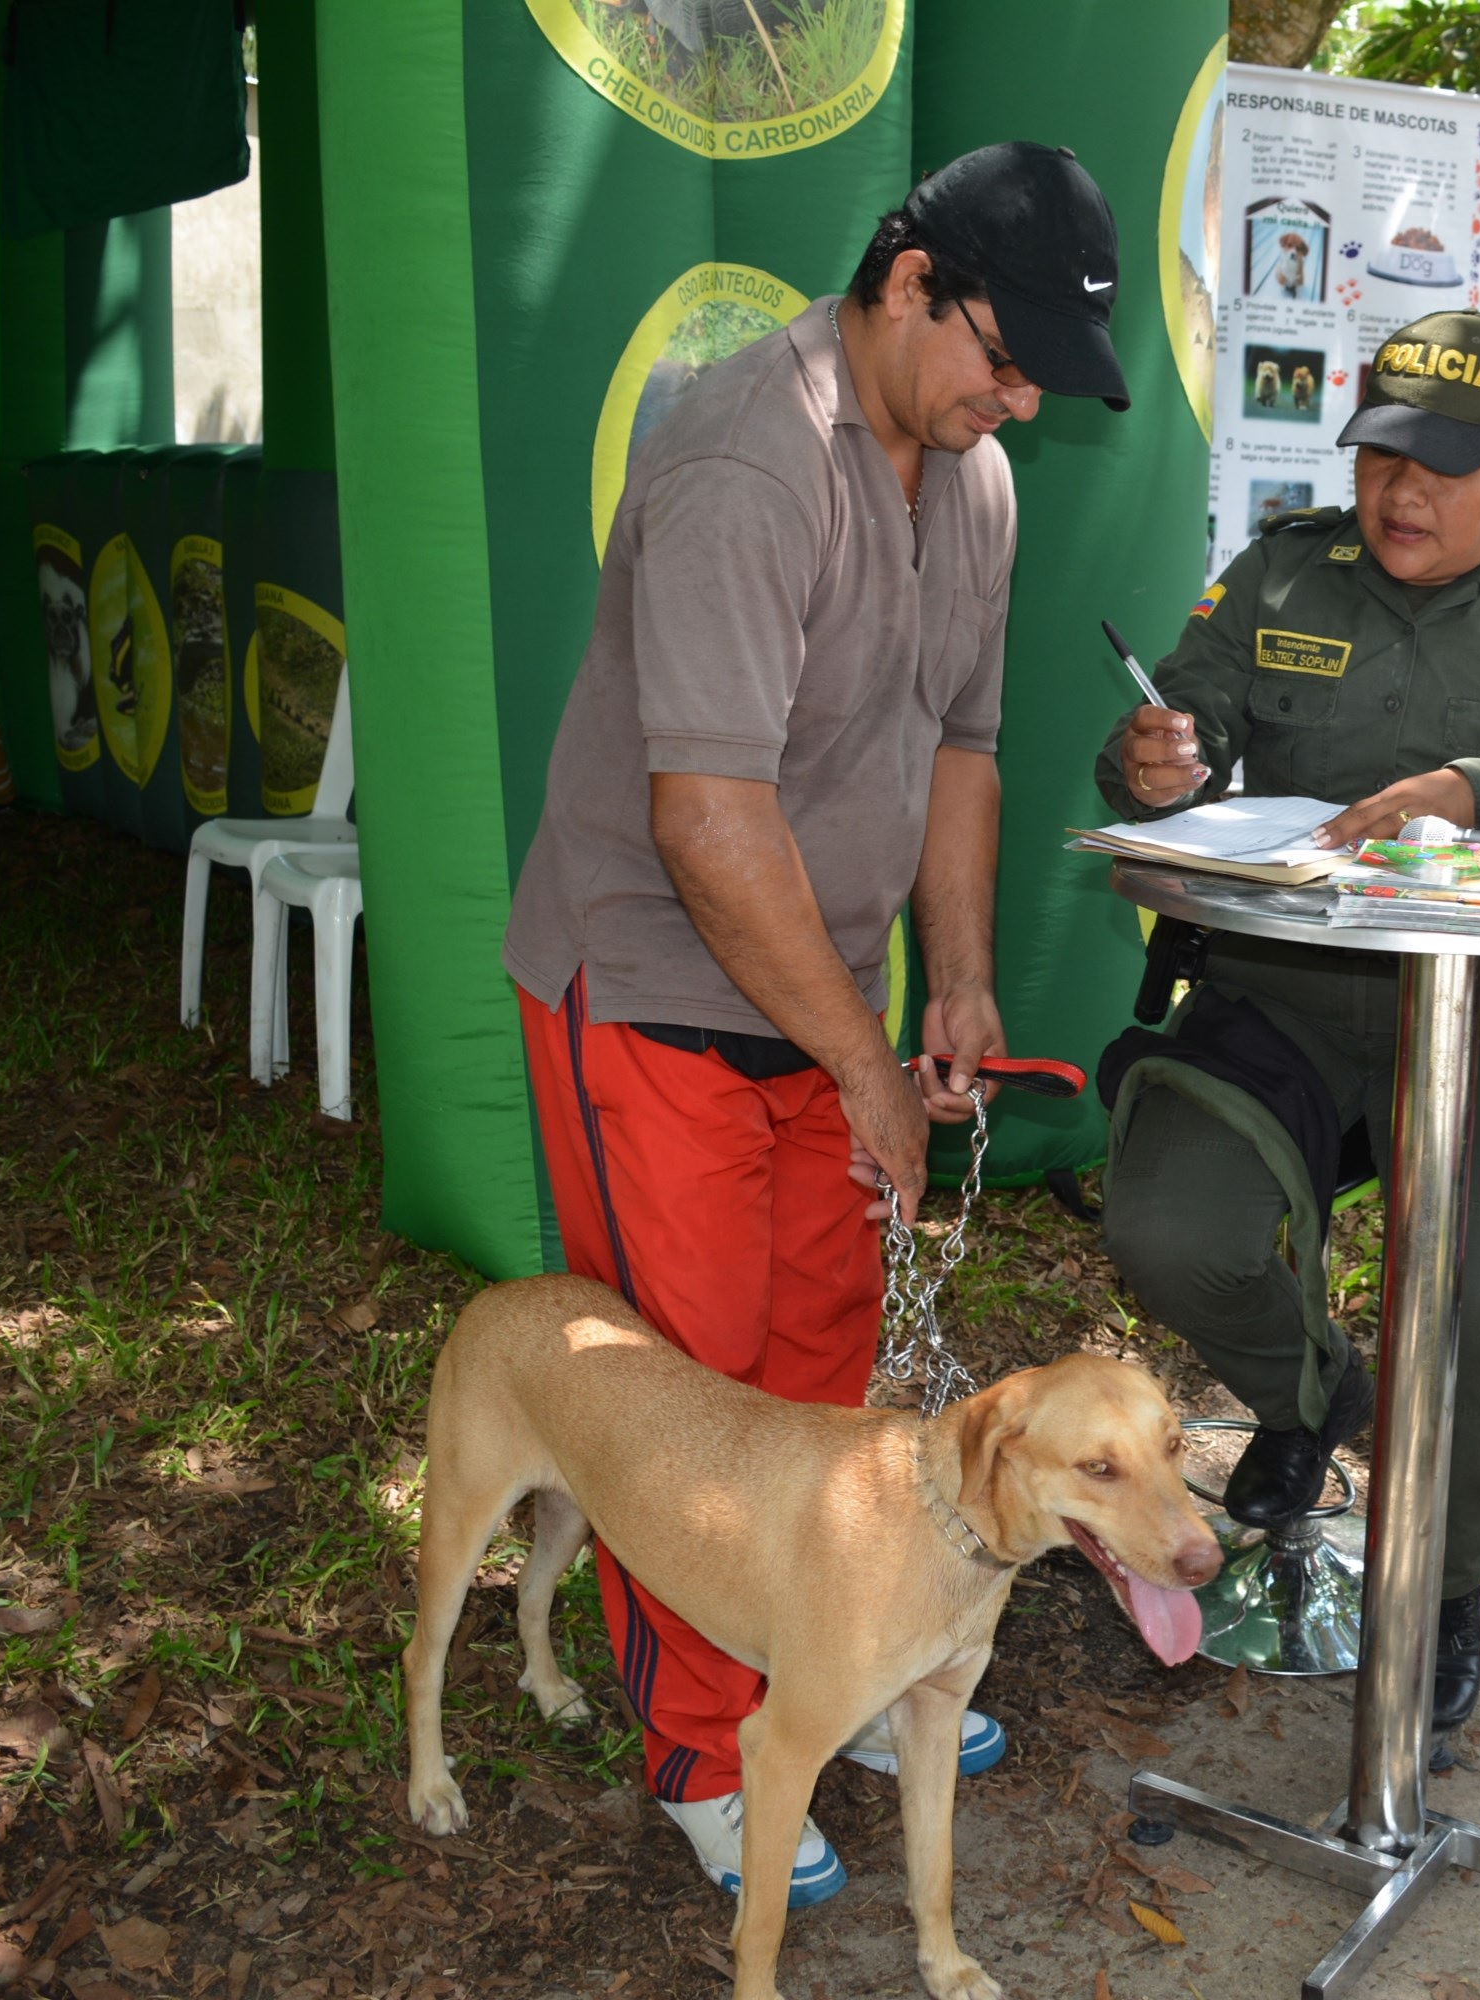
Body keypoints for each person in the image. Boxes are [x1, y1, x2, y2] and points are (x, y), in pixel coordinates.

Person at [498, 141, 1129, 1906]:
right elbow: (706, 822)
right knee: (686, 1417)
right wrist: (869, 1067)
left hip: (822, 999)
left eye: (1036, 387)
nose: (1015, 404)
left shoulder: (976, 481)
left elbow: (961, 750)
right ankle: (703, 1748)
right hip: (652, 993)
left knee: (824, 1375)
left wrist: (960, 984)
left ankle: (826, 1665)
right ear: (910, 279)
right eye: (1003, 360)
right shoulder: (740, 455)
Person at [1097, 310, 1480, 1738]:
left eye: (1439, 466)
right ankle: (1316, 1398)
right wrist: (1154, 758)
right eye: (1380, 459)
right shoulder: (1285, 571)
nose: (1399, 493)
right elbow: (1177, 736)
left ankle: (1437, 1587)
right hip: (1279, 1003)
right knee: (1170, 1231)